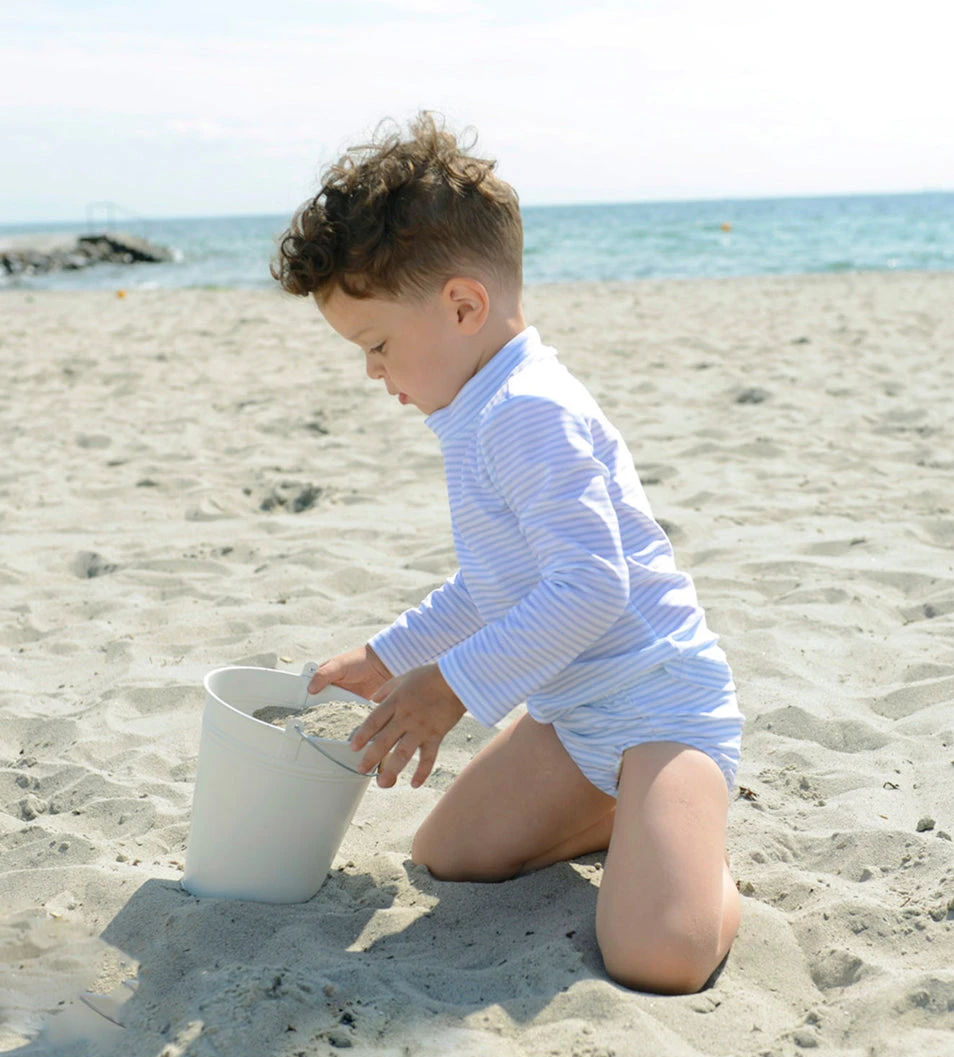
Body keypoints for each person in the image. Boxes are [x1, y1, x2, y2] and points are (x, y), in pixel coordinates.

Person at [271, 113, 744, 995]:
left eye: (378, 345)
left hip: (659, 709)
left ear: (462, 306)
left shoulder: (527, 409)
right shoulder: (478, 408)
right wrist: (389, 655)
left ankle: (688, 843)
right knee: (449, 855)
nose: (373, 372)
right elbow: (496, 583)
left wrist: (449, 687)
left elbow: (592, 587)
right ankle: (635, 828)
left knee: (657, 957)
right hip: (576, 715)